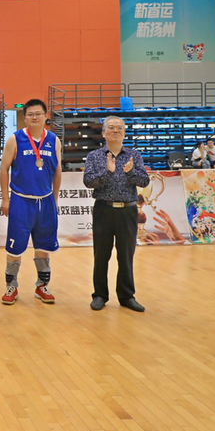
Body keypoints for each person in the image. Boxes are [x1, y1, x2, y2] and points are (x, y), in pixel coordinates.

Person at [83, 115, 150, 313]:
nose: (115, 130)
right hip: (103, 209)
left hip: (128, 211)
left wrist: (130, 172)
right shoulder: (95, 156)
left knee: (126, 255)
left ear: (124, 133)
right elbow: (88, 181)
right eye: (111, 127)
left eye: (119, 128)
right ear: (104, 133)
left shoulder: (134, 155)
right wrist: (108, 172)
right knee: (101, 255)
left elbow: (144, 181)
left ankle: (127, 296)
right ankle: (99, 295)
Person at [0, 99, 63, 305]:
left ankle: (42, 286)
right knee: (14, 247)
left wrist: (54, 199)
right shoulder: (15, 139)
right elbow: (3, 169)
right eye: (30, 114)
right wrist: (5, 199)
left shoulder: (54, 140)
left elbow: (58, 171)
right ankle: (11, 286)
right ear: (25, 117)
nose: (34, 117)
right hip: (21, 201)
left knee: (43, 246)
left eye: (38, 113)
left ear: (46, 116)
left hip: (45, 201)